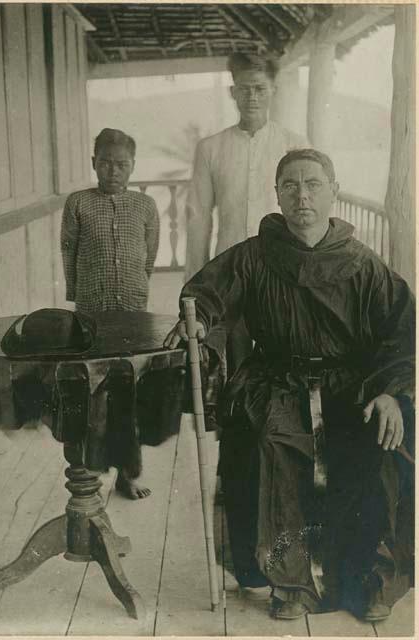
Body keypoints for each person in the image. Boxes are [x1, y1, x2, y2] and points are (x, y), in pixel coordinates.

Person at [165, 148, 414, 621]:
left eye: (314, 184)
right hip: (278, 378)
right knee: (271, 442)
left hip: (352, 383)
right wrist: (197, 320)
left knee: (375, 443)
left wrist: (390, 392)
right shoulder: (256, 255)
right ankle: (290, 580)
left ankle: (371, 578)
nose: (303, 196)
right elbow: (206, 292)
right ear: (277, 194)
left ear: (334, 192)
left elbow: (404, 331)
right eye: (291, 185)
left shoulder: (363, 265)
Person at [185, 52, 307, 372]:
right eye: (244, 88)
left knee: (282, 358)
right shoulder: (211, 148)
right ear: (233, 92)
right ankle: (236, 419)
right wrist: (193, 290)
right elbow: (198, 218)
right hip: (230, 271)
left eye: (260, 88)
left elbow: (304, 209)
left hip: (282, 270)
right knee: (236, 360)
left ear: (273, 91)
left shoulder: (293, 144)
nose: (252, 96)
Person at [61, 127, 160, 500]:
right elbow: (68, 252)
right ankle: (88, 473)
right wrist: (77, 296)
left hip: (132, 311)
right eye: (106, 163)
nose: (113, 171)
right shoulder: (78, 203)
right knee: (91, 392)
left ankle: (128, 474)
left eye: (122, 164)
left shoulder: (145, 206)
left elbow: (149, 257)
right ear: (94, 163)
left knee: (129, 393)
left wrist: (137, 289)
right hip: (92, 313)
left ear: (133, 166)